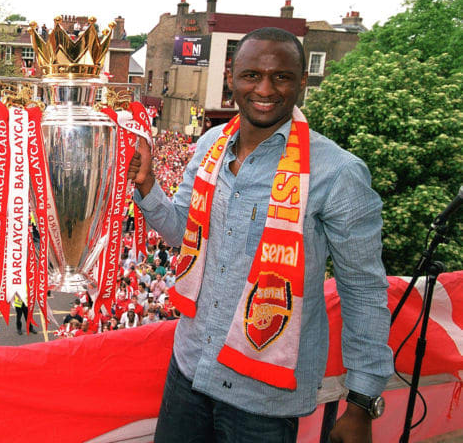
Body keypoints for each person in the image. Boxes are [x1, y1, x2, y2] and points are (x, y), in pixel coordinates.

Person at [129, 27, 392, 442]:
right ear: (232, 77)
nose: (265, 89)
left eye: (281, 77)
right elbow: (184, 231)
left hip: (262, 401)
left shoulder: (338, 173)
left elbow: (363, 290)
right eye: (252, 75)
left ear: (302, 82)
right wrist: (147, 188)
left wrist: (362, 403)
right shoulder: (211, 143)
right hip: (191, 368)